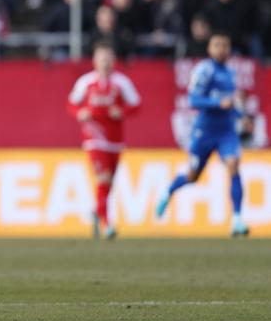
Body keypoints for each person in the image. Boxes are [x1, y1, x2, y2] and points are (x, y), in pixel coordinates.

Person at [157, 32, 249, 237]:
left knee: (234, 166)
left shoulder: (230, 73)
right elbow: (193, 100)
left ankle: (236, 220)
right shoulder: (204, 70)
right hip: (204, 131)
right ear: (209, 49)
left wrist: (240, 116)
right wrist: (218, 103)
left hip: (226, 131)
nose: (222, 49)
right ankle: (168, 191)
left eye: (225, 45)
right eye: (217, 45)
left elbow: (229, 103)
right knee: (192, 175)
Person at [67, 42, 141, 239]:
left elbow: (136, 105)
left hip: (115, 139)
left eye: (108, 58)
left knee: (108, 183)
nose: (105, 63)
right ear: (94, 61)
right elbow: (72, 104)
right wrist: (79, 113)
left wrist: (122, 112)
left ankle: (96, 211)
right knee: (103, 178)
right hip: (93, 137)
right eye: (101, 58)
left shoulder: (122, 82)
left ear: (114, 61)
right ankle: (107, 223)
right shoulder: (85, 82)